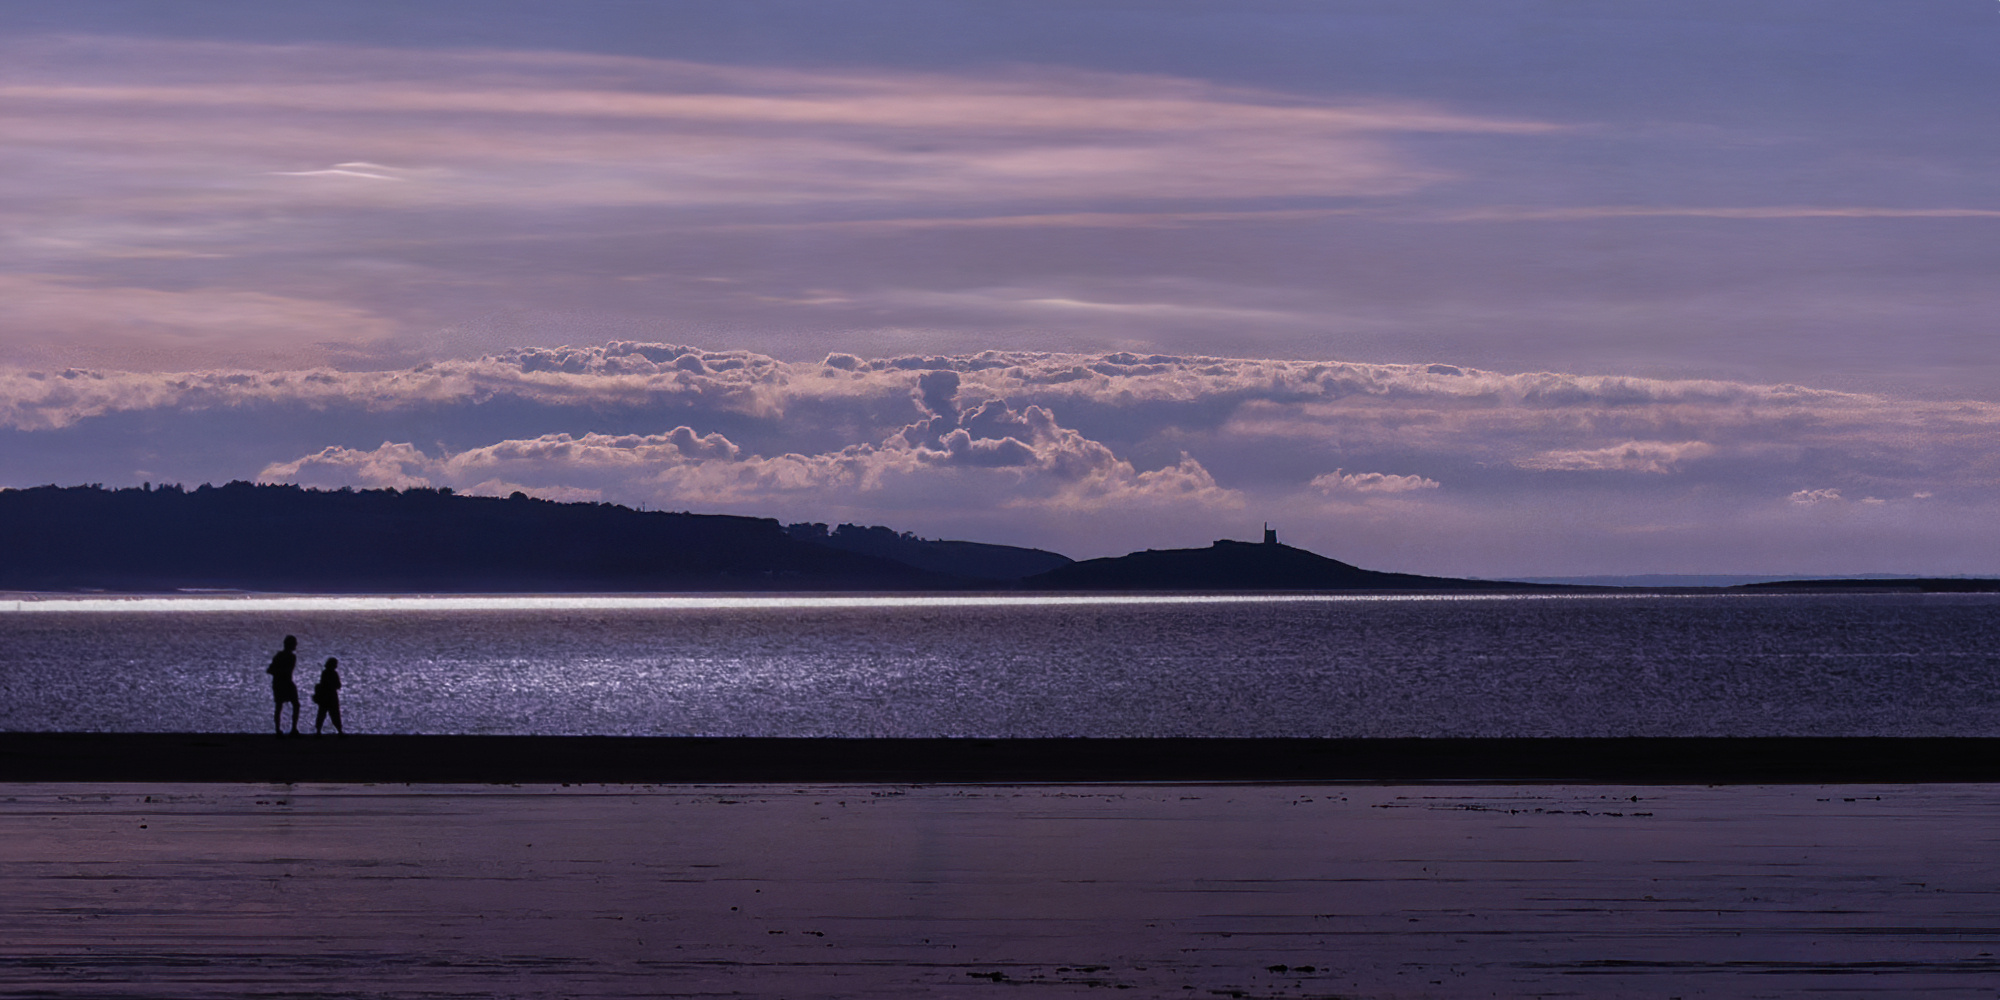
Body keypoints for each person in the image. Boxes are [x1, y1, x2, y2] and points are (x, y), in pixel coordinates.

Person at [267, 635, 301, 736]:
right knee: (286, 705)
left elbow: (271, 669)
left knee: (282, 706)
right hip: (284, 683)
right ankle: (288, 729)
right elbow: (273, 670)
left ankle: (283, 729)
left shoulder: (280, 656)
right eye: (294, 643)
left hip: (280, 683)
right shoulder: (289, 657)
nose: (296, 645)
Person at [312, 657, 344, 737]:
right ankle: (339, 731)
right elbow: (338, 685)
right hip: (331, 696)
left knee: (322, 714)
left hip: (325, 696)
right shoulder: (333, 673)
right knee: (334, 714)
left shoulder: (325, 673)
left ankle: (318, 731)